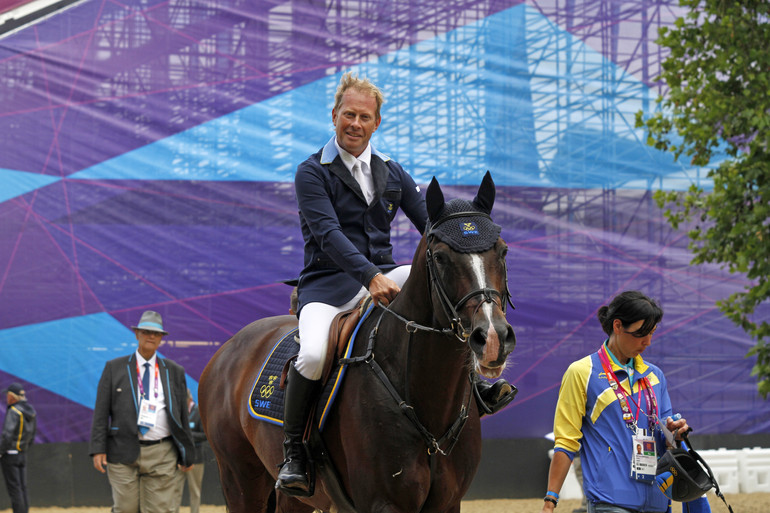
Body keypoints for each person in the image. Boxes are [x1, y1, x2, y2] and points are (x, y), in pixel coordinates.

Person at [276, 71, 514, 496]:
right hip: (329, 284)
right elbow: (327, 235)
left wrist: (465, 234)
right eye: (348, 114)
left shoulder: (392, 172)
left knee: (447, 298)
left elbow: (431, 226)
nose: (355, 123)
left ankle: (476, 386)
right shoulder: (312, 172)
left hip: (387, 274)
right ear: (334, 116)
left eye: (364, 117)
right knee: (312, 354)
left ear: (376, 123)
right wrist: (369, 276)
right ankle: (295, 451)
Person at [541, 290, 709, 513]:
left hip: (658, 502)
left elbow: (666, 437)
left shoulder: (655, 376)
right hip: (609, 502)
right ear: (618, 326)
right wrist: (550, 500)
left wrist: (675, 433)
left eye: (652, 332)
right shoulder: (582, 372)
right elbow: (566, 442)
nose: (648, 341)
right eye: (641, 333)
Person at [90, 310, 195, 513]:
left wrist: (187, 453)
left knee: (159, 510)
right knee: (125, 509)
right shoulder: (114, 368)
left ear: (161, 339)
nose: (151, 336)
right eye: (146, 331)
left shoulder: (174, 371)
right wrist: (97, 448)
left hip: (163, 453)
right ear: (137, 334)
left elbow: (182, 415)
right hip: (122, 450)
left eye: (156, 333)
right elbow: (101, 411)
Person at [0, 383, 36, 513]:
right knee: (22, 487)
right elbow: (32, 435)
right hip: (22, 453)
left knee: (14, 489)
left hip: (10, 454)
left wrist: (0, 451)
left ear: (12, 397)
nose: (6, 398)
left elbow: (7, 434)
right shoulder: (30, 412)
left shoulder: (13, 411)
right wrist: (25, 447)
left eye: (8, 395)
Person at [177, 389, 207, 513]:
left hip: (196, 458)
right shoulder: (178, 412)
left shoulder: (199, 412)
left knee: (194, 490)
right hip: (179, 458)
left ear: (189, 400)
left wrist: (188, 435)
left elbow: (205, 434)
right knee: (175, 490)